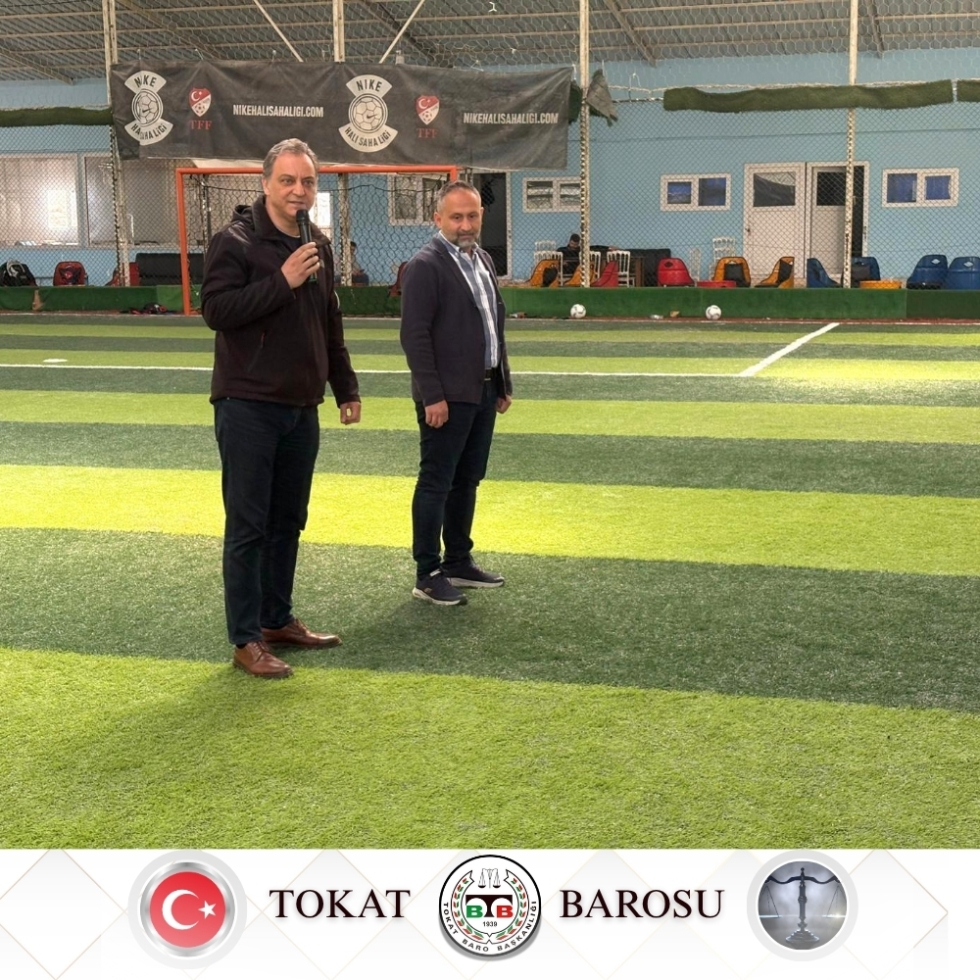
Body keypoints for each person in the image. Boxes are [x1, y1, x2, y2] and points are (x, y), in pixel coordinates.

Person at [201, 137, 361, 679]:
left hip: (301, 406)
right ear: (266, 183)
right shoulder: (235, 241)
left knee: (288, 521)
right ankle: (245, 639)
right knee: (248, 525)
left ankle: (276, 620)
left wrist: (346, 387)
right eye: (288, 180)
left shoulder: (318, 243)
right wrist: (282, 281)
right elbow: (216, 311)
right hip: (247, 404)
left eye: (308, 181)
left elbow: (328, 321)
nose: (299, 190)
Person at [400, 180, 513, 606]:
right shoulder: (425, 266)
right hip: (446, 396)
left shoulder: (482, 258)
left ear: (481, 216)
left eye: (472, 216)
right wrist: (432, 395)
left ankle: (458, 560)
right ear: (438, 219)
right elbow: (414, 336)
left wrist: (502, 381)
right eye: (456, 217)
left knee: (468, 479)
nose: (465, 224)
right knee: (436, 482)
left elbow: (493, 325)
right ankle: (427, 573)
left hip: (482, 389)